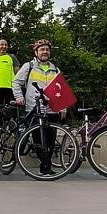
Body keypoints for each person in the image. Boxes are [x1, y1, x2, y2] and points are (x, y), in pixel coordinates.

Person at [12, 39, 65, 176]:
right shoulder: (28, 66)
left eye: (47, 49)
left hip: (52, 108)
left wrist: (63, 105)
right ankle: (45, 167)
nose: (45, 52)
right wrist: (19, 97)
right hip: (34, 107)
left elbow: (61, 90)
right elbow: (16, 82)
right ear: (36, 52)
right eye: (42, 50)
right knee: (38, 140)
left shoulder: (55, 69)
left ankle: (45, 166)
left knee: (51, 140)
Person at [0, 38, 20, 108]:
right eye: (2, 44)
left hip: (10, 88)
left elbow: (18, 73)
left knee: (11, 111)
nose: (4, 46)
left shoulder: (11, 57)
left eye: (6, 45)